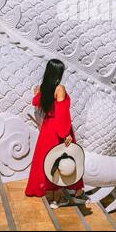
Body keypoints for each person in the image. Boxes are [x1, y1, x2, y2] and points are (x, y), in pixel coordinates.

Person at [25, 59, 85, 207]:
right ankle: (56, 200)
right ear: (59, 72)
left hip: (46, 128)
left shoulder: (42, 88)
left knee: (48, 161)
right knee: (61, 160)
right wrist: (66, 134)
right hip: (59, 129)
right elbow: (62, 113)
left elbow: (35, 101)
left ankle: (51, 195)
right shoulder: (60, 89)